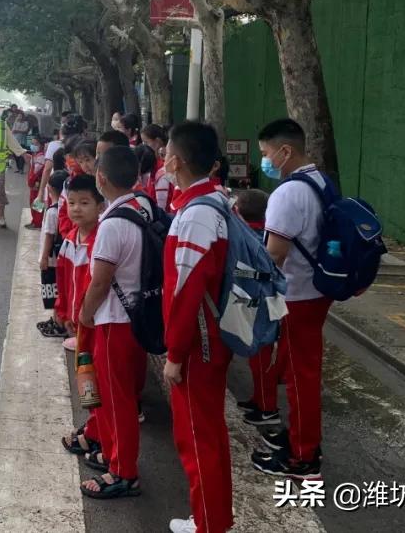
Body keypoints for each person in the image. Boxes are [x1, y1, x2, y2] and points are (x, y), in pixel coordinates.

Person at [162, 121, 234, 533]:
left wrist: (175, 353)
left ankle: (208, 525)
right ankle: (213, 518)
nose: (163, 161)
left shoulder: (197, 215)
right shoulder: (212, 199)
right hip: (210, 337)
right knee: (209, 432)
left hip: (199, 344)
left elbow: (185, 291)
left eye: (167, 153)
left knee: (196, 437)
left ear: (177, 159)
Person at [250, 119, 330, 480]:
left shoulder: (287, 193)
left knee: (300, 376)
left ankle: (303, 457)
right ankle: (299, 439)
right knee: (298, 369)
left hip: (297, 295)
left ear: (285, 151)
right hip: (315, 291)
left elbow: (276, 254)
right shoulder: (320, 181)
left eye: (267, 154)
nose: (265, 161)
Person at [77, 147, 152, 500]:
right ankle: (110, 452)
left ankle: (123, 472)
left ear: (100, 178)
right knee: (118, 396)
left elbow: (101, 281)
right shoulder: (143, 207)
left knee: (115, 399)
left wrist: (86, 314)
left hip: (114, 321)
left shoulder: (112, 223)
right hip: (136, 315)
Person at [56, 175, 105, 462]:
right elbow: (63, 279)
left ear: (100, 206)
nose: (76, 209)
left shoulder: (100, 240)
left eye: (84, 203)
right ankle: (94, 426)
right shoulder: (70, 240)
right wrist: (63, 312)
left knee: (95, 380)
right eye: (72, 203)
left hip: (97, 326)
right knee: (86, 379)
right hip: (79, 326)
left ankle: (97, 432)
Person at [231, 188, 278, 427]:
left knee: (262, 358)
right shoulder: (264, 235)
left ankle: (268, 407)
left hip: (260, 302)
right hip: (266, 301)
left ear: (238, 212)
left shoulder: (251, 239)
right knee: (259, 356)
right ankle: (259, 399)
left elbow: (254, 273)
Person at [37, 170, 71, 339]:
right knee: (59, 291)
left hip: (51, 259)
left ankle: (59, 323)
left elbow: (49, 235)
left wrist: (43, 258)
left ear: (49, 189)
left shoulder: (52, 211)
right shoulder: (64, 208)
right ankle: (57, 320)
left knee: (52, 292)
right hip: (60, 257)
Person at [10, 106, 31, 173]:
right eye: (18, 116)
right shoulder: (15, 123)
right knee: (15, 155)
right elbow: (12, 131)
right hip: (15, 141)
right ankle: (18, 168)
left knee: (22, 155)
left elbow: (25, 131)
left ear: (23, 116)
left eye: (20, 116)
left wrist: (17, 130)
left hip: (22, 141)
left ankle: (21, 169)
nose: (19, 117)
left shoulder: (26, 123)